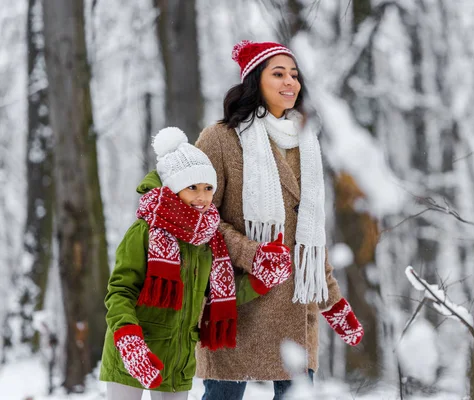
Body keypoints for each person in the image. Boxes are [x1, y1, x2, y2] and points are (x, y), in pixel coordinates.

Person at [195, 40, 365, 400]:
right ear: (256, 80)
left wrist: (332, 301)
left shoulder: (306, 142)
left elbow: (310, 238)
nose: (291, 82)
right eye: (278, 73)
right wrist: (251, 253)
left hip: (296, 309)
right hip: (237, 302)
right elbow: (197, 217)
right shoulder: (220, 139)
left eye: (294, 74)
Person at [99, 127, 275, 400]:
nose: (202, 197)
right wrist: (129, 340)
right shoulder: (145, 231)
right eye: (192, 187)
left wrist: (262, 278)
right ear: (172, 187)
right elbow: (120, 291)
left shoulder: (207, 239)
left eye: (208, 188)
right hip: (134, 349)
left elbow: (217, 293)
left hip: (178, 358)